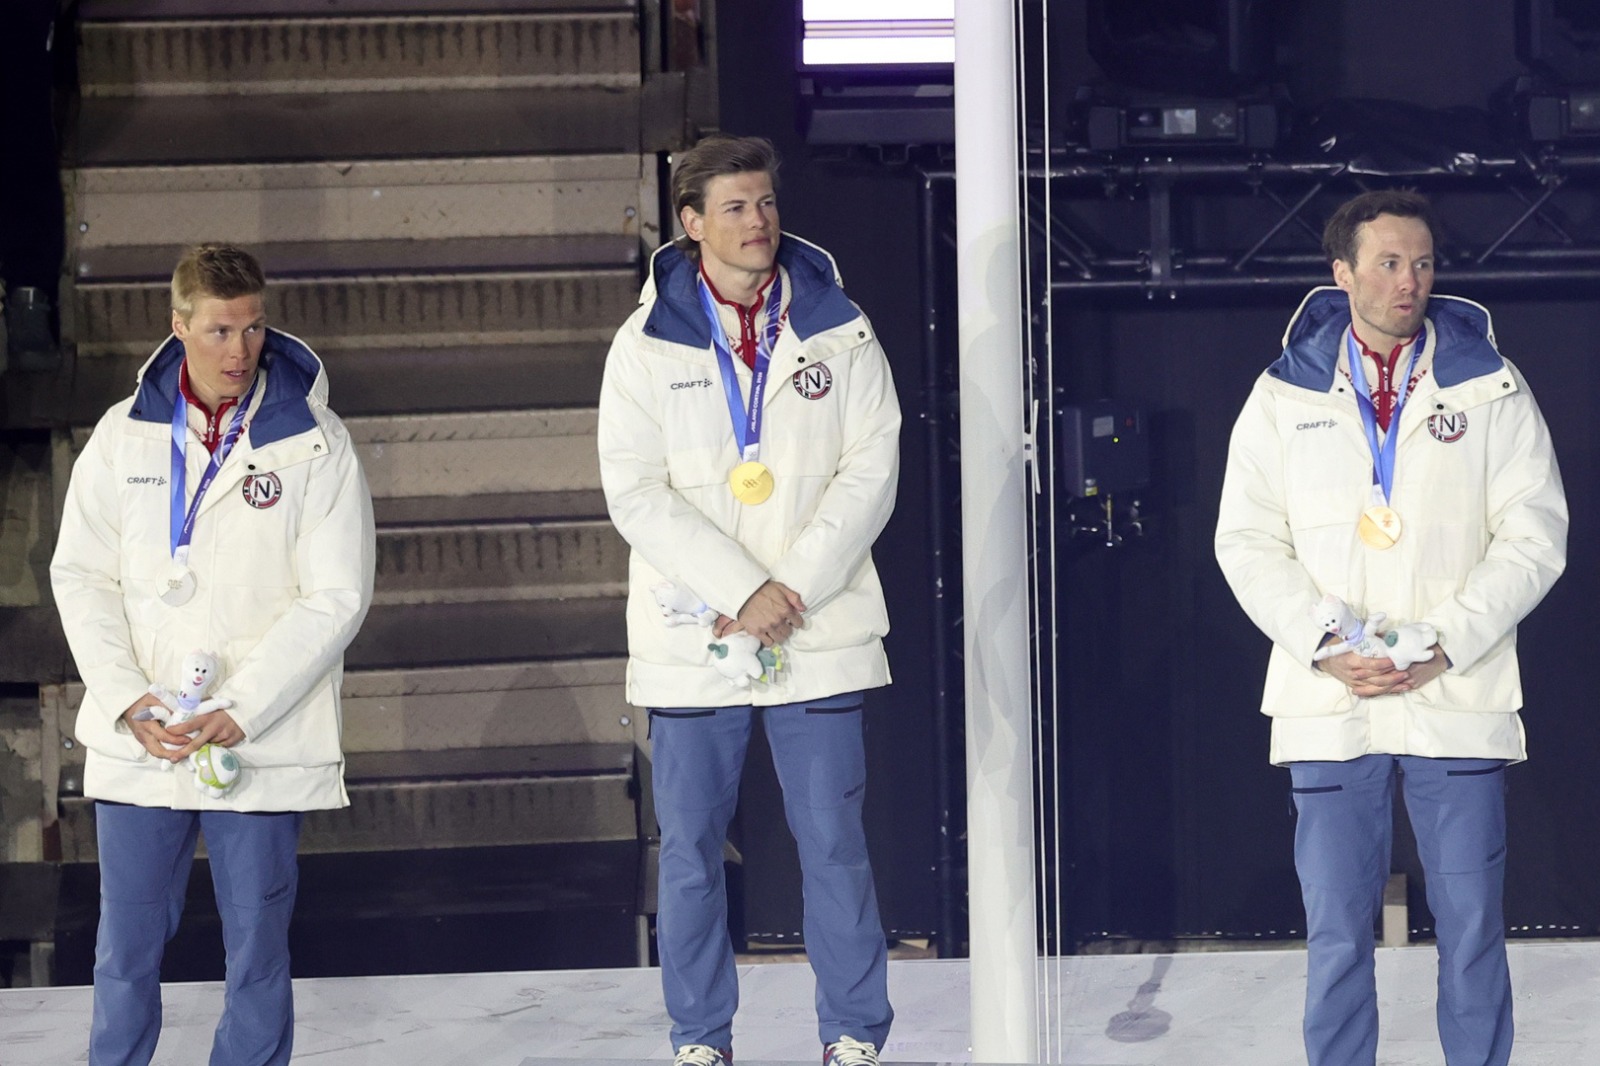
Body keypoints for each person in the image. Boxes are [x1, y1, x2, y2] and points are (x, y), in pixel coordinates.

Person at [1215, 189, 1568, 1066]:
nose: (1409, 281)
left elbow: (1534, 535)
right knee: (1337, 934)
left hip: (1455, 690)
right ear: (1342, 273)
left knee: (1473, 928)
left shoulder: (1491, 386)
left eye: (1422, 263)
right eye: (1388, 263)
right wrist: (1325, 643)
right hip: (1332, 700)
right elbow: (1246, 541)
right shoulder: (1279, 395)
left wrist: (1445, 640)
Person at [597, 134, 899, 1066]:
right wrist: (740, 590)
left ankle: (852, 1035)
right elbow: (633, 490)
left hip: (817, 623)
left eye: (765, 203)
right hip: (696, 633)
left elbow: (872, 469)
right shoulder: (643, 346)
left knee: (834, 844)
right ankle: (699, 1040)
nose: (758, 221)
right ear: (692, 224)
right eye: (734, 207)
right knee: (690, 853)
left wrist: (787, 589)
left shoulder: (840, 327)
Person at [50, 243, 375, 1066]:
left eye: (254, 328)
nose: (240, 350)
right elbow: (79, 575)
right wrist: (127, 696)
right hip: (146, 733)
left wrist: (244, 707)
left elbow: (337, 594)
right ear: (179, 326)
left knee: (258, 951)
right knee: (124, 951)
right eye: (220, 330)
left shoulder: (315, 440)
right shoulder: (123, 437)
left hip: (258, 733)